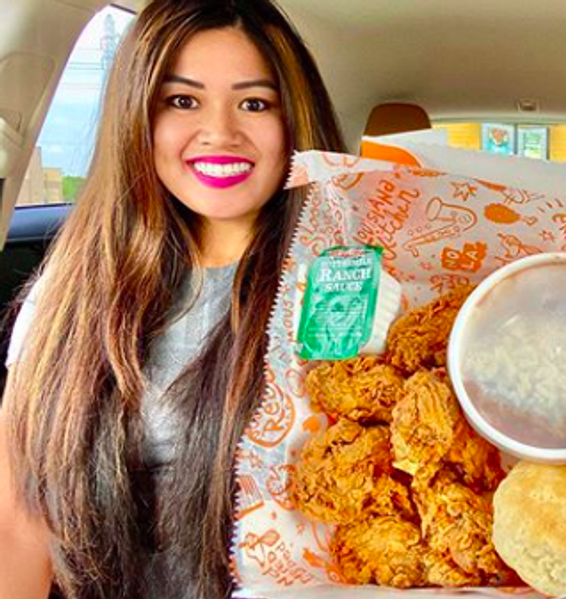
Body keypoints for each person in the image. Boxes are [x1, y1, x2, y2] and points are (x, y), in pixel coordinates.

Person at [0, 0, 345, 597]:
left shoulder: (344, 289)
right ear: (140, 115)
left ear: (294, 122)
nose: (220, 132)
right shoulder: (69, 293)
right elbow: (20, 519)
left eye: (255, 103)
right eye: (183, 101)